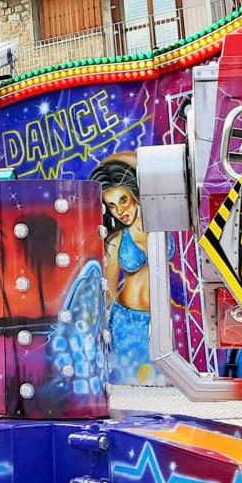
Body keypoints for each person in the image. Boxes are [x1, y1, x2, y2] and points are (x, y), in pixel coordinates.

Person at [92, 157, 153, 385]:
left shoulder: (158, 224)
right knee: (134, 385)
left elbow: (140, 163)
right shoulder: (116, 240)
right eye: (111, 205)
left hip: (159, 319)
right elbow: (108, 291)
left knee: (162, 381)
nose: (119, 211)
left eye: (123, 200)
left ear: (134, 192)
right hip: (128, 321)